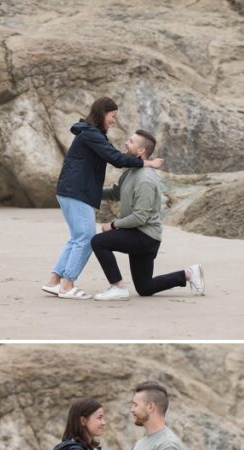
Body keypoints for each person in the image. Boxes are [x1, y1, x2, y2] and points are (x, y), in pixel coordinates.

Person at [43, 97, 164, 300]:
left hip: (72, 190)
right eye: (113, 116)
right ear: (103, 113)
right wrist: (145, 163)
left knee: (77, 238)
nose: (114, 120)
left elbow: (111, 161)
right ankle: (67, 285)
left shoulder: (91, 133)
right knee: (86, 238)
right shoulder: (91, 133)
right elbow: (115, 158)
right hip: (77, 192)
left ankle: (54, 281)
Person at [90, 130, 204, 301]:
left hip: (145, 237)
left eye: (131, 141)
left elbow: (140, 217)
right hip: (137, 234)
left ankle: (118, 287)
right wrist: (88, 192)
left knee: (98, 242)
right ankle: (188, 274)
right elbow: (116, 192)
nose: (126, 143)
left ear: (141, 151)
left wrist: (113, 225)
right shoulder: (132, 171)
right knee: (145, 287)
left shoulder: (145, 180)